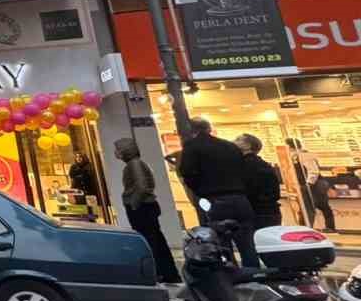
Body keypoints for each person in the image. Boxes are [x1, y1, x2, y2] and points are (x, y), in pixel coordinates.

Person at [177, 118, 258, 267]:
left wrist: (199, 192)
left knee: (221, 243)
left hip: (214, 200)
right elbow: (243, 171)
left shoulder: (192, 147)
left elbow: (187, 173)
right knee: (247, 243)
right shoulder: (230, 146)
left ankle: (230, 275)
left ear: (191, 130)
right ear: (209, 128)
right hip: (240, 199)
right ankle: (253, 274)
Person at [115, 137, 181, 285]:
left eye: (118, 149)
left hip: (143, 208)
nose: (116, 153)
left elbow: (142, 186)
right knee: (156, 239)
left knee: (150, 241)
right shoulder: (136, 164)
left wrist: (134, 203)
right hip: (145, 206)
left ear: (125, 151)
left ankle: (157, 273)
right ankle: (168, 273)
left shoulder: (134, 165)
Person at [235, 133, 283, 230]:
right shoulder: (262, 164)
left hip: (256, 213)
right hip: (269, 212)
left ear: (248, 146)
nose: (233, 141)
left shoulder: (246, 165)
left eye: (238, 139)